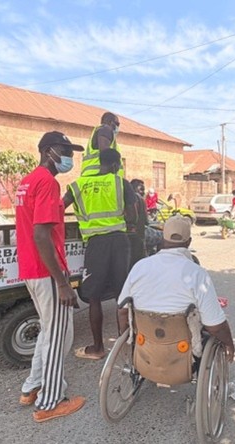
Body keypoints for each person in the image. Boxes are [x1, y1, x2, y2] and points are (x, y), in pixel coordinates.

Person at [14, 131, 86, 423]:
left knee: (47, 331)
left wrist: (69, 198)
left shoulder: (29, 180)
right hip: (47, 273)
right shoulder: (46, 182)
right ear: (48, 151)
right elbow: (41, 234)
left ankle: (32, 386)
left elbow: (44, 217)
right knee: (58, 337)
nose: (68, 156)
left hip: (33, 269)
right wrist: (62, 283)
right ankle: (50, 402)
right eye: (64, 150)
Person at [116, 216, 235, 362]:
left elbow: (122, 310)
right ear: (189, 242)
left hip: (145, 346)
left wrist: (125, 335)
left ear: (162, 238)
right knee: (205, 324)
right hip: (182, 352)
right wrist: (229, 343)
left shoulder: (139, 266)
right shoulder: (197, 273)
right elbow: (215, 326)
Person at [66, 148, 138, 360]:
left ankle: (97, 348)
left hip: (95, 244)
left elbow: (59, 207)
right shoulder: (120, 182)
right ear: (116, 165)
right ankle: (125, 344)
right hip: (118, 242)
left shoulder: (78, 185)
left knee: (95, 298)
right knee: (121, 295)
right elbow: (133, 215)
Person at [81, 112, 122, 177]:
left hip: (91, 176)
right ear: (111, 122)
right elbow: (105, 153)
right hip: (100, 176)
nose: (117, 127)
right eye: (117, 124)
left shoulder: (98, 130)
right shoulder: (106, 129)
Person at [128, 179, 148, 267]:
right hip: (138, 236)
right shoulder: (139, 199)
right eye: (141, 189)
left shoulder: (126, 198)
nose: (143, 192)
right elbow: (145, 221)